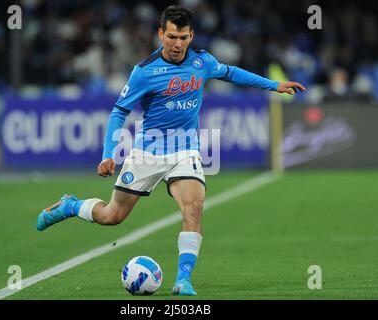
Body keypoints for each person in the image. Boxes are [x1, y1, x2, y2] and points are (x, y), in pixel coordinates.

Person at [36, 5, 306, 296]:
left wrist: (274, 85)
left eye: (184, 37)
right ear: (161, 34)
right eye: (173, 37)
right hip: (147, 152)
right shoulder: (144, 72)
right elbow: (118, 112)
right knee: (112, 217)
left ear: (192, 35)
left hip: (185, 151)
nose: (178, 44)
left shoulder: (202, 61)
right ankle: (72, 206)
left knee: (194, 207)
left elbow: (232, 74)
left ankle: (183, 280)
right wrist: (108, 153)